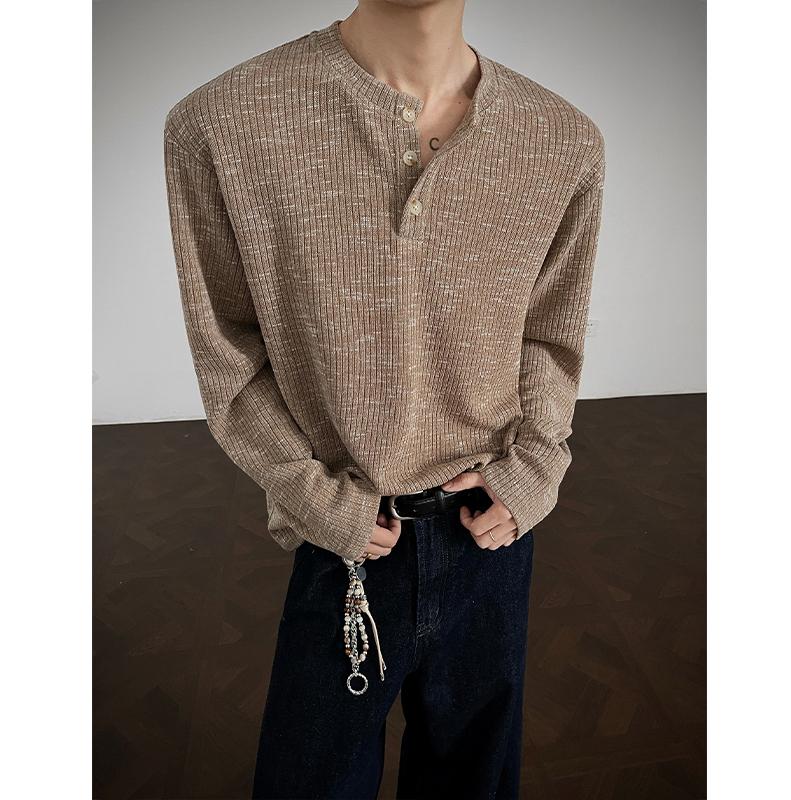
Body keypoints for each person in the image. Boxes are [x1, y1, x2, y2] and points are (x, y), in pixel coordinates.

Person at [163, 1, 605, 797]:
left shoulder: (562, 140)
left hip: (491, 530)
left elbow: (550, 332)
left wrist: (535, 469)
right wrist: (309, 493)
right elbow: (228, 348)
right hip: (341, 535)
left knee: (474, 781)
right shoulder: (221, 124)